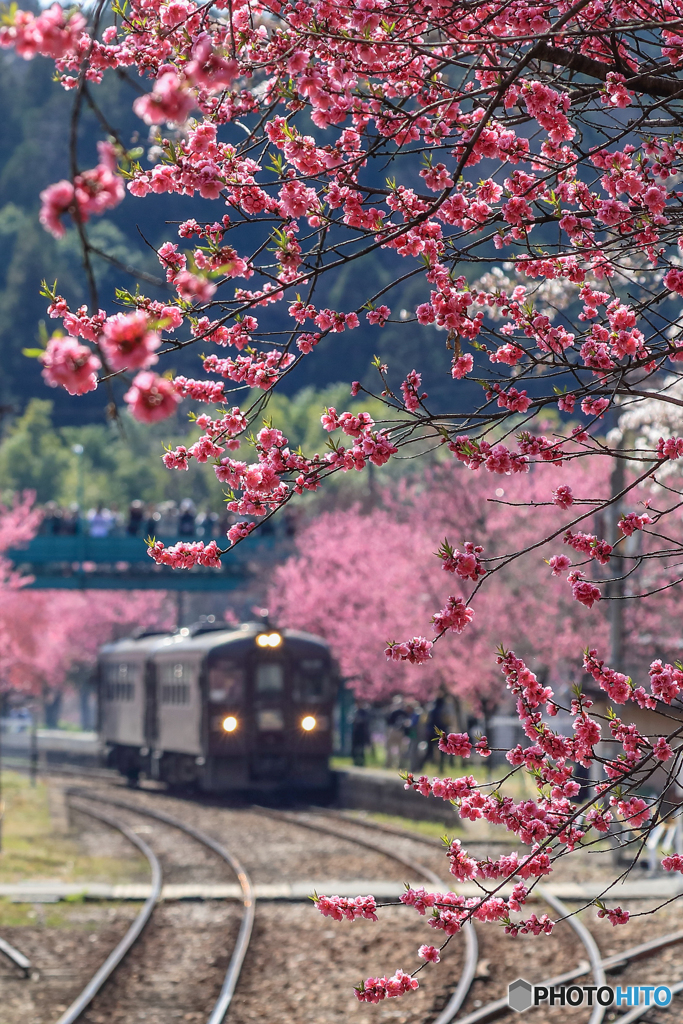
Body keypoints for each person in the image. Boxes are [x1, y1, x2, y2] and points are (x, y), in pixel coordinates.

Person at [385, 696, 409, 768]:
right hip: (400, 732)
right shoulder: (404, 712)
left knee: (390, 748)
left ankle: (389, 763)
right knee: (400, 749)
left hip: (394, 731)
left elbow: (388, 722)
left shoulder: (393, 711)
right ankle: (398, 764)